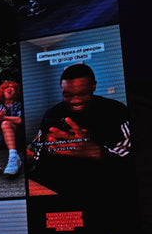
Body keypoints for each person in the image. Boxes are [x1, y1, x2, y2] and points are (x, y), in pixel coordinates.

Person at [27, 63, 132, 196]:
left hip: (101, 184)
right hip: (54, 182)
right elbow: (37, 147)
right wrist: (44, 148)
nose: (75, 101)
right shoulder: (52, 113)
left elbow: (130, 158)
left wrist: (97, 152)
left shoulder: (116, 110)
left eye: (82, 94)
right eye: (67, 95)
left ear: (93, 86)